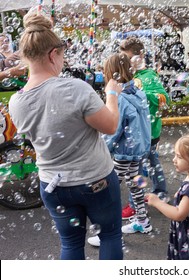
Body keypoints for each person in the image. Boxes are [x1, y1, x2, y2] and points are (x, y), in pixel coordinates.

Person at [8, 13, 123, 260]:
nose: (63, 60)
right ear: (52, 55)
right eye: (62, 54)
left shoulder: (16, 102)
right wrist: (112, 94)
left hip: (53, 185)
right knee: (110, 236)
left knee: (70, 244)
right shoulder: (74, 88)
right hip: (95, 180)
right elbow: (110, 126)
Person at [87, 54, 152, 247]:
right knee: (135, 185)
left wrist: (101, 149)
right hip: (137, 151)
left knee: (108, 193)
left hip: (123, 153)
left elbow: (113, 129)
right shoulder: (137, 91)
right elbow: (144, 123)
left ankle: (107, 233)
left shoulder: (120, 98)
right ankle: (142, 221)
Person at [119, 37, 171, 216]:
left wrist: (140, 93)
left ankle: (135, 206)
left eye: (127, 58)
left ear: (139, 56)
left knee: (137, 168)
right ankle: (161, 191)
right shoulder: (132, 76)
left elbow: (164, 98)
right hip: (141, 130)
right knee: (152, 160)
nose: (124, 62)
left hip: (147, 130)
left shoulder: (148, 76)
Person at [146, 133, 189, 260]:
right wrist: (185, 198)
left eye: (178, 156)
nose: (174, 159)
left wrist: (157, 202)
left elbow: (179, 214)